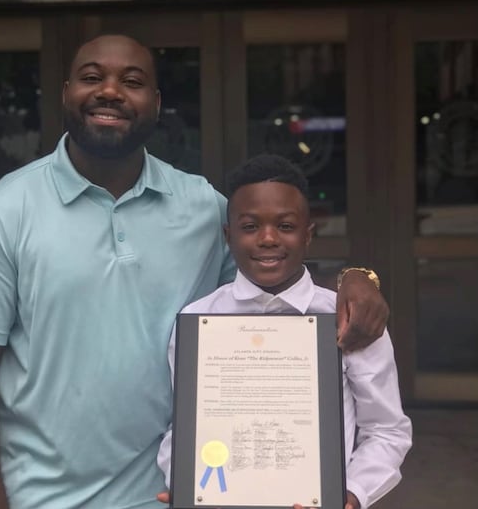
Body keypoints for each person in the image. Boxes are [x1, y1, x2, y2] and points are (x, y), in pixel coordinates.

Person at [0, 34, 391, 509]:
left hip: (176, 495)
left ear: (155, 104)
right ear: (65, 91)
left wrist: (356, 278)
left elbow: (272, 291)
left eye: (131, 82)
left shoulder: (202, 207)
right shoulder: (3, 213)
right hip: (43, 498)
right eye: (92, 77)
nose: (110, 91)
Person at [156, 154, 412, 509]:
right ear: (228, 237)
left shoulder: (350, 318)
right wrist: (184, 481)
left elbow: (386, 430)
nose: (268, 239)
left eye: (286, 226)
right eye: (249, 227)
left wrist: (350, 494)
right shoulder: (197, 320)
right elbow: (181, 427)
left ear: (308, 236)